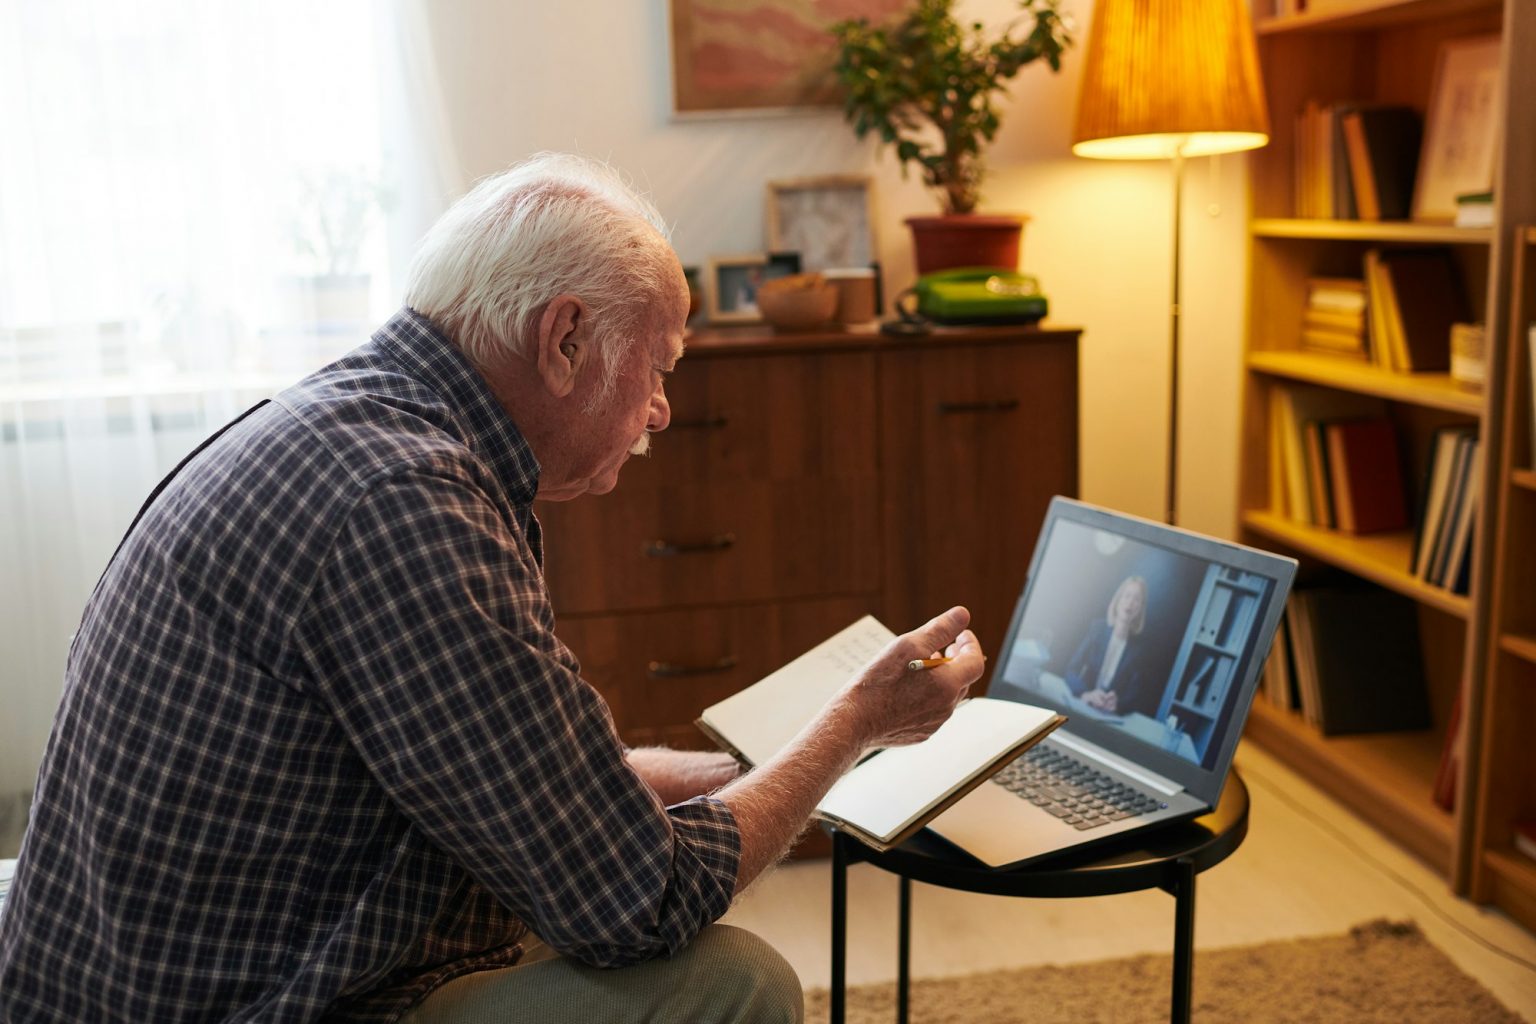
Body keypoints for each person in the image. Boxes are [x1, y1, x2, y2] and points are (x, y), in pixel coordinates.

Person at [0, 154, 986, 1024]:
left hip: (151, 970)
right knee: (736, 983)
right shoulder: (407, 507)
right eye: (658, 365)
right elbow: (635, 900)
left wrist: (759, 761)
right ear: (564, 339)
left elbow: (526, 779)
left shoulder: (368, 430)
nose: (662, 409)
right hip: (245, 1000)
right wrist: (851, 727)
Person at [1063, 575, 1150, 716]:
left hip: (1108, 715)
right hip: (1083, 705)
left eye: (1137, 599)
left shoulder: (1138, 649)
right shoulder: (1097, 629)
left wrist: (1118, 704)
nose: (1130, 603)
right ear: (1118, 600)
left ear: (1140, 608)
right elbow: (1071, 669)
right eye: (1127, 596)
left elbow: (1135, 695)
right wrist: (1085, 693)